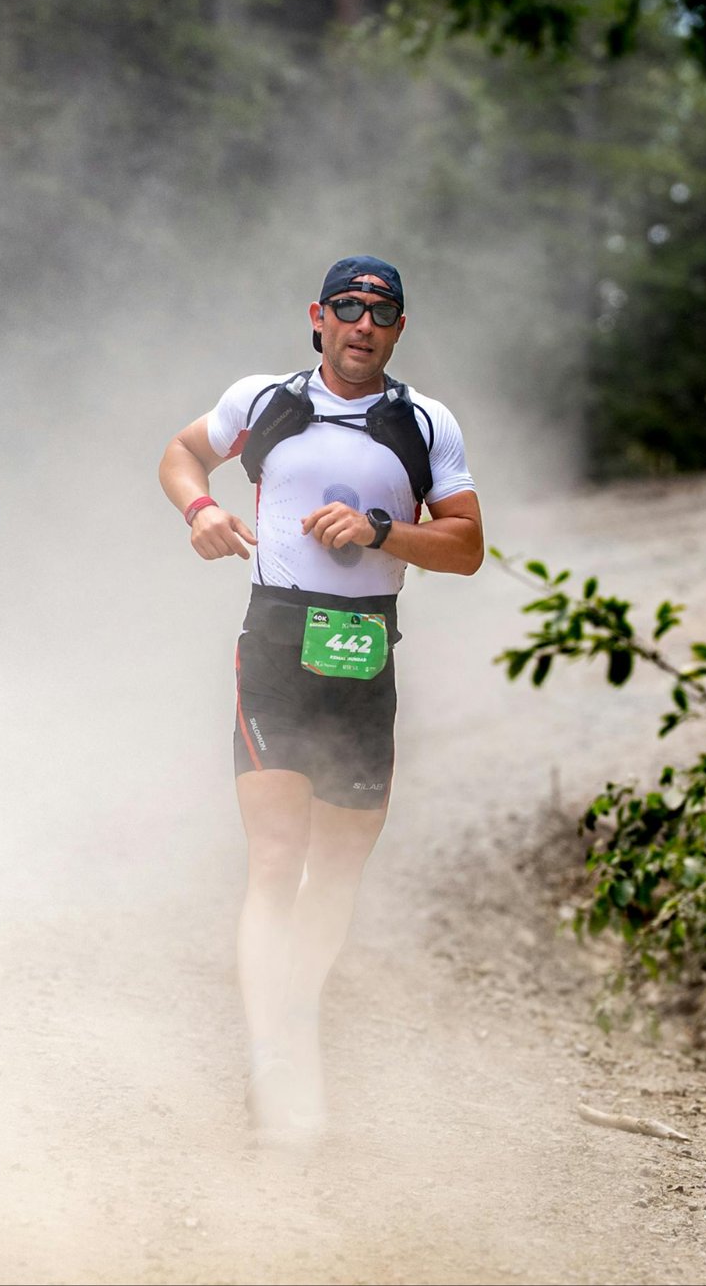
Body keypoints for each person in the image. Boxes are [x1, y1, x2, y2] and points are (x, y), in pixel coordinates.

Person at [157, 255, 483, 1144]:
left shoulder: (423, 422)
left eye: (382, 312)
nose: (363, 323)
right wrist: (201, 512)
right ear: (319, 315)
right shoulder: (268, 402)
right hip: (274, 644)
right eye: (348, 307)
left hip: (367, 651)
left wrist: (384, 529)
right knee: (274, 860)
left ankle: (294, 1018)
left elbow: (466, 547)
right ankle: (275, 1055)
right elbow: (182, 454)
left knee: (335, 874)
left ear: (399, 328)